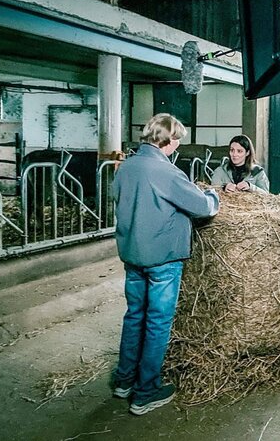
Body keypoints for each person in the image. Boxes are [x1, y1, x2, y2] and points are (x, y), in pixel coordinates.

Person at [111, 113, 220, 416]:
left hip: (132, 255)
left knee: (134, 316)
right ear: (168, 140)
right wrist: (212, 195)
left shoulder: (126, 167)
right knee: (157, 323)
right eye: (177, 140)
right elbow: (202, 208)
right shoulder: (166, 171)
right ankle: (145, 392)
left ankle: (123, 380)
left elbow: (118, 199)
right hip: (162, 257)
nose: (177, 145)